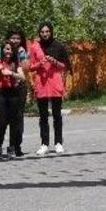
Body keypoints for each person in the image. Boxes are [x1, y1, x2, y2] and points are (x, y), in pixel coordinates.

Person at [28, 22, 70, 155]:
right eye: (42, 32)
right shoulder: (35, 46)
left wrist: (55, 62)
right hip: (42, 84)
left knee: (57, 115)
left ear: (51, 32)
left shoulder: (59, 46)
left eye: (47, 31)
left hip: (55, 83)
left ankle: (58, 143)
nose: (45, 34)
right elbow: (30, 67)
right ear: (39, 33)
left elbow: (65, 66)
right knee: (43, 116)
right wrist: (40, 63)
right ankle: (44, 144)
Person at [0, 30, 29, 156]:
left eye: (18, 38)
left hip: (19, 87)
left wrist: (21, 56)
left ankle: (16, 146)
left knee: (17, 118)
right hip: (4, 89)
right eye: (13, 38)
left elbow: (26, 69)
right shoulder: (1, 50)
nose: (15, 40)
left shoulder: (21, 52)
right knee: (4, 120)